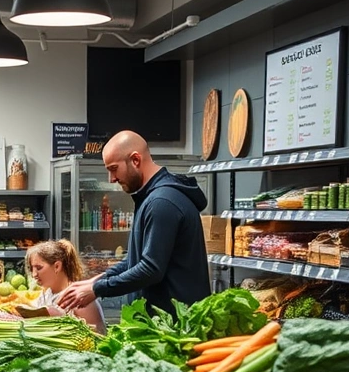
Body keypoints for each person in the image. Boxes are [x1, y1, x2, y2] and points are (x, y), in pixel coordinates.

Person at [58, 130, 211, 316]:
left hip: (175, 329)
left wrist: (97, 290)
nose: (111, 179)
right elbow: (135, 261)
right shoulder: (151, 198)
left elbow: (150, 269)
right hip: (159, 326)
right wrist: (96, 281)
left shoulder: (162, 202)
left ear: (135, 160)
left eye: (113, 168)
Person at [26, 239, 107, 335]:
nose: (34, 274)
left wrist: (60, 317)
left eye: (39, 268)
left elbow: (99, 336)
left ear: (57, 266)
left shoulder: (79, 297)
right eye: (32, 269)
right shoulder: (45, 295)